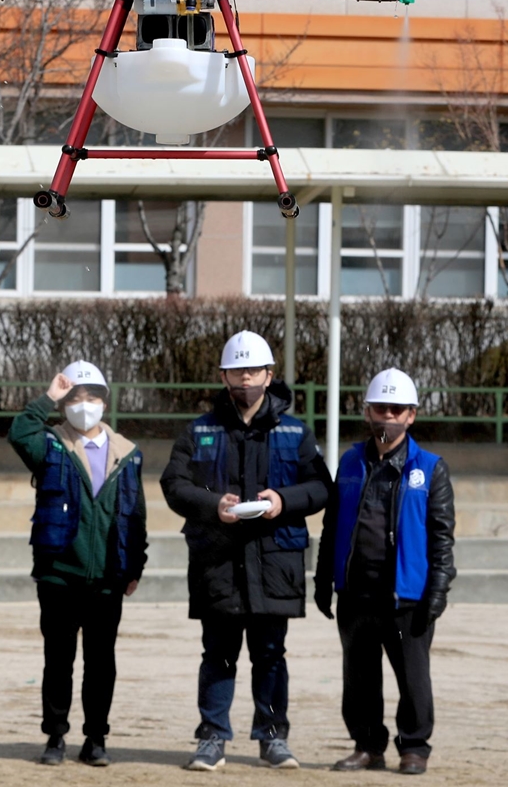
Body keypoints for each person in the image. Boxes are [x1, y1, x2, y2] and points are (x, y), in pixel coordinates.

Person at [161, 330, 329, 771]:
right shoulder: (200, 430)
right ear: (223, 375)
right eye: (237, 371)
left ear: (270, 375)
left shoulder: (295, 432)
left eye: (253, 371)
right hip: (218, 563)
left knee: (271, 656)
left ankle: (273, 738)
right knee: (217, 655)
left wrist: (282, 501)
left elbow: (320, 488)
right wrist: (213, 505)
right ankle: (212, 738)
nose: (245, 379)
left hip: (275, 562)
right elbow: (173, 485)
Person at [314, 367, 456, 775]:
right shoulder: (351, 462)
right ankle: (367, 745)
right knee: (358, 679)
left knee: (413, 680)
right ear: (367, 411)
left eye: (397, 410)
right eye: (381, 408)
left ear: (411, 415)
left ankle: (414, 747)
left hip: (406, 597)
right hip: (356, 593)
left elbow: (442, 537)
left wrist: (438, 591)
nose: (388, 417)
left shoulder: (431, 469)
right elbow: (332, 524)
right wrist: (325, 579)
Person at [8, 360, 147, 767]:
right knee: (58, 660)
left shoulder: (128, 453)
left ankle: (96, 739)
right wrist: (47, 398)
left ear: (105, 402)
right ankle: (55, 737)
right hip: (59, 574)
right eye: (74, 398)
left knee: (101, 663)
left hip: (109, 576)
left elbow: (135, 515)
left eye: (91, 397)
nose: (83, 405)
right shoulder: (49, 445)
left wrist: (135, 566)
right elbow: (19, 432)